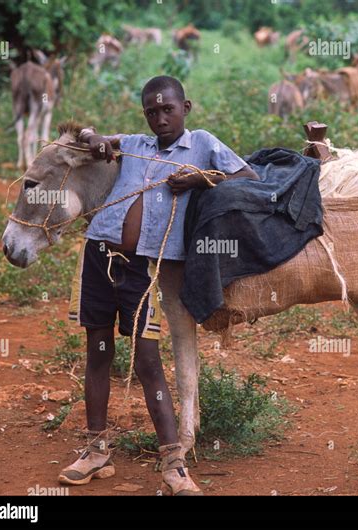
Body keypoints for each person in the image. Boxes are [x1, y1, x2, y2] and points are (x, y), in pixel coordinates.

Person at [59, 75, 259, 495]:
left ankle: (173, 462)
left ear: (185, 107)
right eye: (152, 111)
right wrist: (96, 139)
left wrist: (201, 179)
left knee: (147, 360)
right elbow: (86, 139)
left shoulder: (201, 143)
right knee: (97, 352)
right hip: (98, 254)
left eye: (167, 109)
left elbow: (248, 177)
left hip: (141, 268)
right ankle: (96, 451)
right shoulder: (133, 143)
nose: (160, 118)